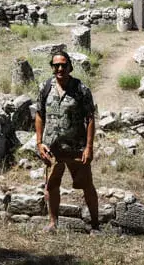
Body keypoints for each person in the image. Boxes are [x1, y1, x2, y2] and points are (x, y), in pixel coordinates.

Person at [35, 50, 99, 234]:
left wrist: (89, 147)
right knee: (51, 185)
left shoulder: (81, 89)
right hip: (52, 148)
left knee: (87, 186)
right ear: (52, 67)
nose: (60, 68)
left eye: (64, 65)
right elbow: (39, 114)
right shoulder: (45, 87)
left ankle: (95, 225)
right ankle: (53, 223)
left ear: (70, 67)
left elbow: (90, 118)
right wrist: (39, 143)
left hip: (76, 148)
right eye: (56, 65)